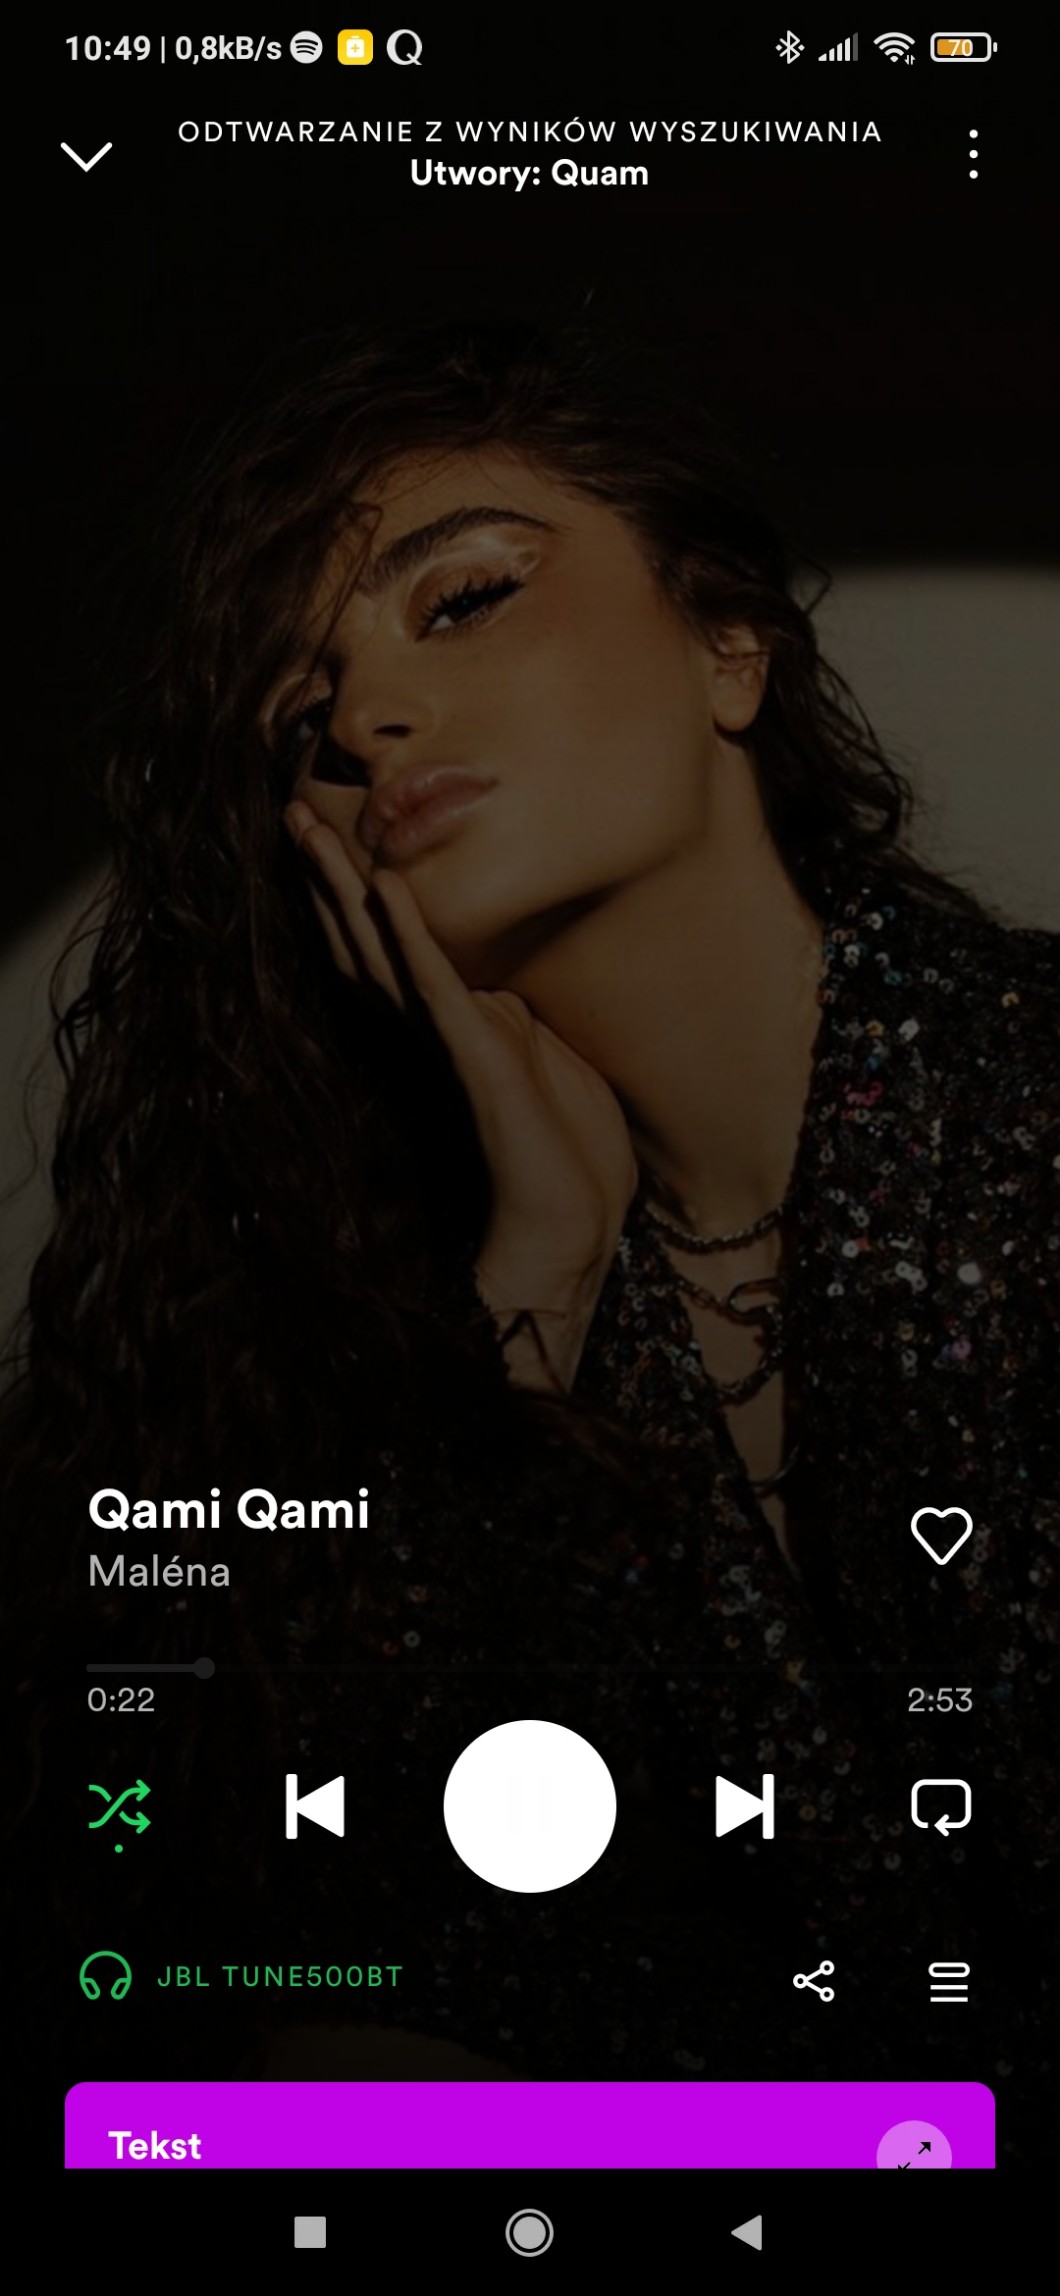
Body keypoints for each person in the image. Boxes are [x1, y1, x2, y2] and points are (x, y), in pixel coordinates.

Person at [6, 322, 1057, 2114]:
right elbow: (330, 1974)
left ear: (730, 648)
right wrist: (536, 1287)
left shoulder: (1024, 1094)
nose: (366, 720)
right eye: (302, 720)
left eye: (466, 599)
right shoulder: (414, 1312)